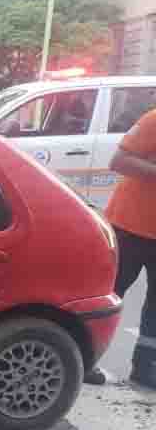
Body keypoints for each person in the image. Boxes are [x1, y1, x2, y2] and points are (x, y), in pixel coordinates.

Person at [85, 107, 156, 389]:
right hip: (130, 225)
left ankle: (146, 367)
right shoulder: (153, 120)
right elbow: (120, 161)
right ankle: (86, 358)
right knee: (109, 293)